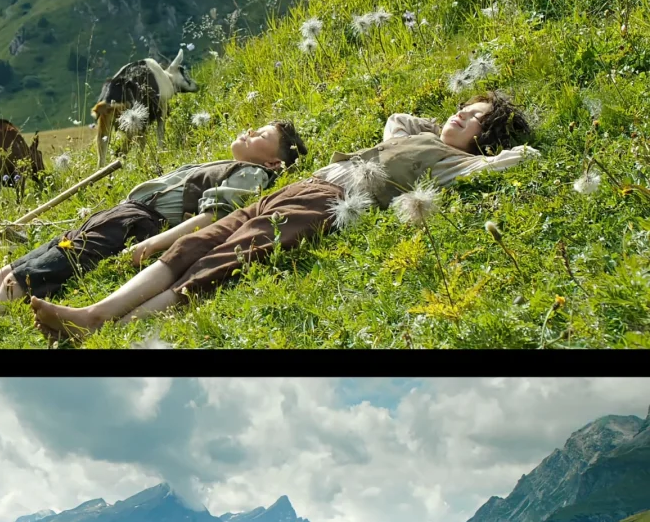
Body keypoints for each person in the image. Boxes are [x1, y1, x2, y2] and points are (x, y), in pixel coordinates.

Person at [29, 90, 538, 341]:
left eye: (475, 119)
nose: (462, 115)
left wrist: (491, 151)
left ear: (483, 137)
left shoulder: (456, 163)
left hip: (325, 203)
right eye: (464, 107)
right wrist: (436, 127)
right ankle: (95, 310)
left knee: (226, 258)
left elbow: (516, 161)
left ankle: (97, 324)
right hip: (306, 183)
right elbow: (397, 120)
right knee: (196, 244)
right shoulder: (416, 136)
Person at [0, 121, 308, 346]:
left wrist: (151, 243)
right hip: (115, 215)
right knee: (6, 275)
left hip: (131, 224)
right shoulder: (224, 162)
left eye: (263, 136)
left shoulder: (250, 174)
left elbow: (211, 219)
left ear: (273, 164)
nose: (250, 133)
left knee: (23, 282)